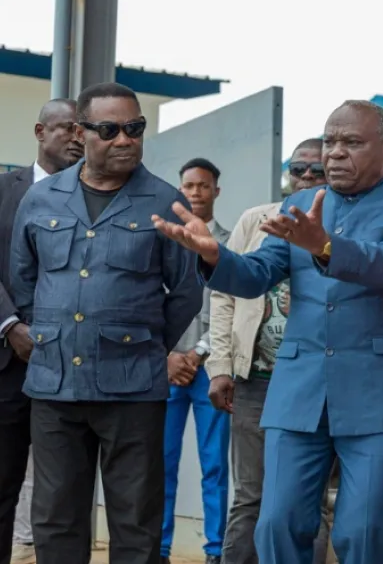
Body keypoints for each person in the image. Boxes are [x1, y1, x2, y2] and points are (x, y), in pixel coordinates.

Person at [152, 100, 383, 564]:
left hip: (377, 394)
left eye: (352, 142)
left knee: (363, 530)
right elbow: (257, 273)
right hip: (299, 391)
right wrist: (215, 256)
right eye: (330, 141)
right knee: (277, 523)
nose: (335, 152)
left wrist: (325, 246)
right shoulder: (299, 204)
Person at [10, 82, 203, 564]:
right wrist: (51, 334)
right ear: (81, 132)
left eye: (135, 128)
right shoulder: (41, 198)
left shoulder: (165, 201)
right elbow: (23, 279)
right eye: (110, 129)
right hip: (55, 386)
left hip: (133, 388)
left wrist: (144, 344)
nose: (125, 139)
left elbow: (186, 290)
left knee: (136, 523)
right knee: (56, 520)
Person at [207, 138, 331, 564]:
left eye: (318, 170)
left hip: (314, 384)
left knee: (310, 499)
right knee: (250, 496)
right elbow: (224, 294)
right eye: (299, 169)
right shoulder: (256, 220)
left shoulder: (340, 226)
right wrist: (220, 366)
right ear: (287, 175)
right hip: (256, 380)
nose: (307, 177)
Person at [0, 98, 83, 564]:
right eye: (66, 127)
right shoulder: (3, 190)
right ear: (39, 132)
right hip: (7, 366)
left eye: (82, 129)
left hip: (70, 369)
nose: (76, 137)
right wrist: (10, 325)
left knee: (62, 496)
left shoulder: (96, 194)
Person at [161, 158, 231, 564]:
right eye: (189, 186)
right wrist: (169, 354)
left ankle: (215, 550)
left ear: (216, 191)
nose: (196, 192)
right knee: (161, 463)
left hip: (210, 370)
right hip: (166, 369)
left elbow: (231, 304)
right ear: (180, 190)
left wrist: (198, 352)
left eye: (203, 186)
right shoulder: (164, 240)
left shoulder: (229, 241)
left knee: (215, 465)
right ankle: (159, 549)